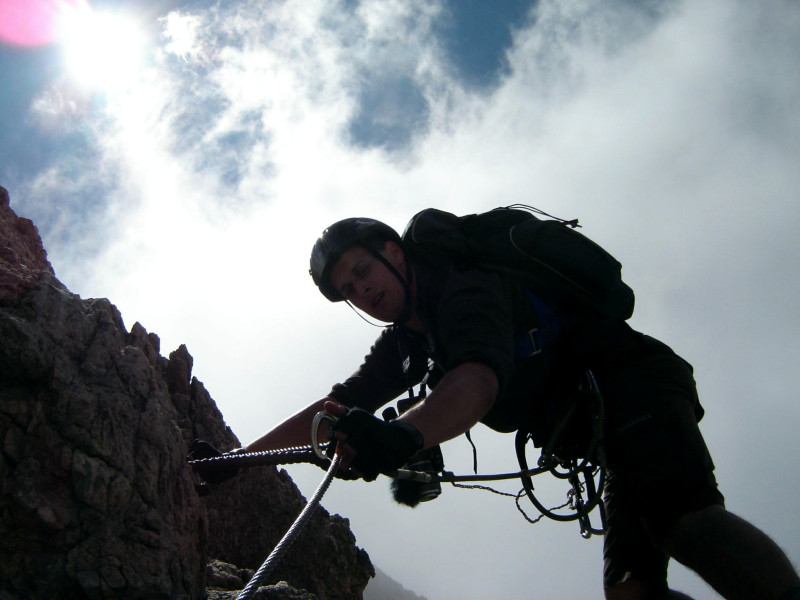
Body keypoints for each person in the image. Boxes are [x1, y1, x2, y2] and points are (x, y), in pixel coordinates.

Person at [238, 213, 799, 600]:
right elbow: (333, 409)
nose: (362, 290)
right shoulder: (409, 341)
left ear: (393, 252)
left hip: (633, 387)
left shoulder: (464, 289)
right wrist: (235, 464)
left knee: (683, 520)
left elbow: (477, 380)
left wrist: (406, 436)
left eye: (362, 271)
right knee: (630, 589)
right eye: (347, 289)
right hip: (606, 427)